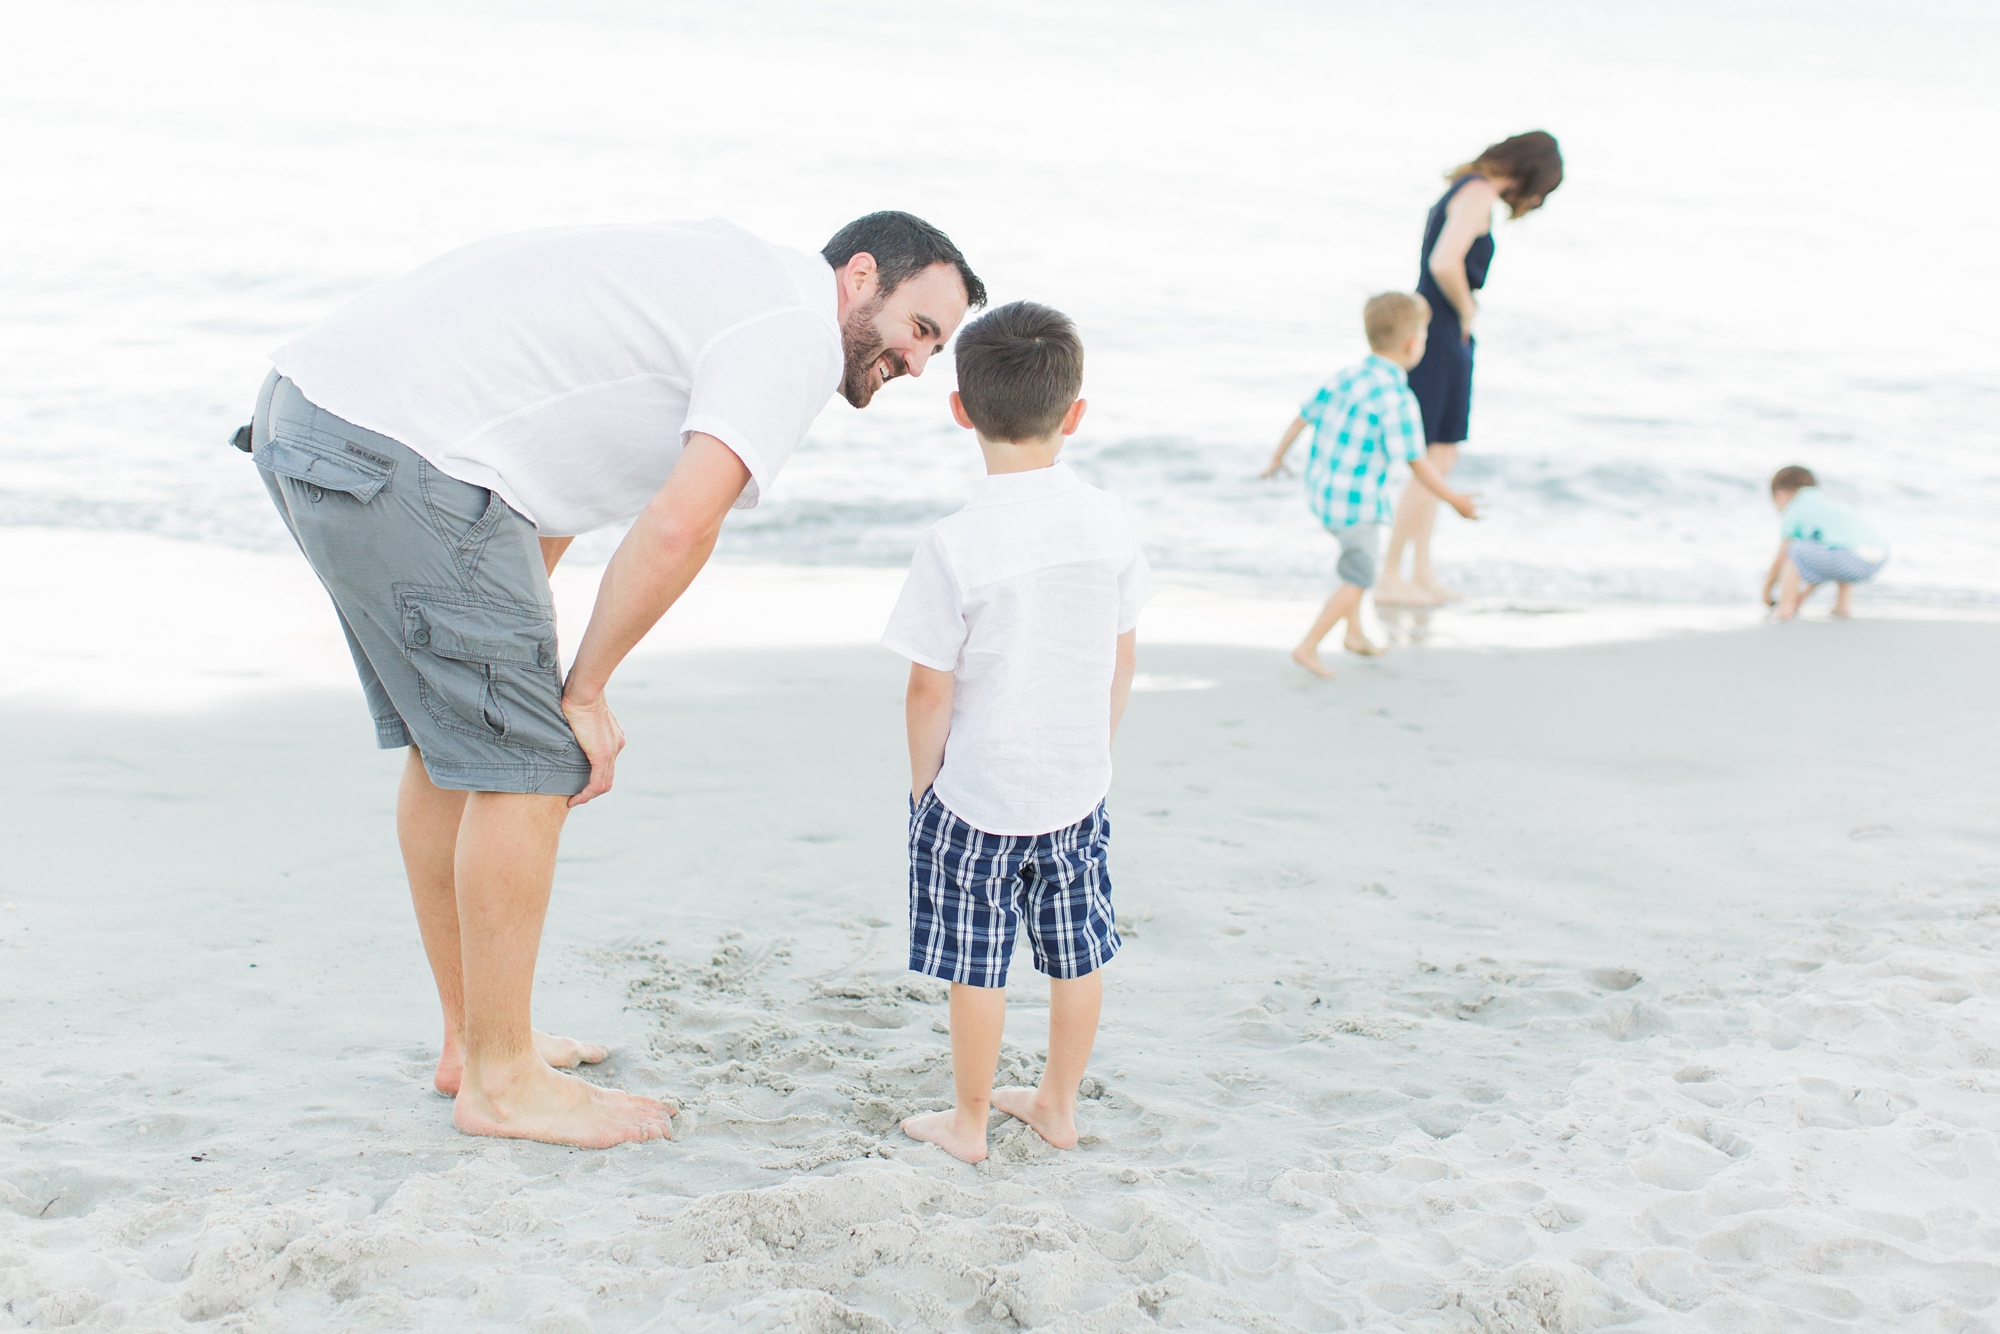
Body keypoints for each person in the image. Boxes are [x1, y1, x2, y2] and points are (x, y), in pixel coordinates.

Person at [244, 212, 984, 1148]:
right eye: (919, 329)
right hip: (394, 445)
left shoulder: (727, 281)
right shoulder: (791, 331)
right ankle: (502, 1082)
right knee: (528, 763)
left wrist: (536, 678)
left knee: (464, 748)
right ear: (861, 275)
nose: (920, 364)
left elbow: (545, 471)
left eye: (939, 347)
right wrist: (578, 697)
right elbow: (681, 527)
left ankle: (474, 1045)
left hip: (317, 412)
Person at [880, 301, 1152, 1165]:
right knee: (1076, 952)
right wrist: (1094, 747)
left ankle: (967, 1123)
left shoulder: (956, 542)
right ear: (1075, 415)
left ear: (961, 408)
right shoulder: (1108, 521)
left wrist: (926, 786)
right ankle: (1057, 1105)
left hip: (977, 792)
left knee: (978, 963)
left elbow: (929, 689)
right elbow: (1122, 654)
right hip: (1078, 784)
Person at [1377, 130, 1564, 606]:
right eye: (1541, 189)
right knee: (1431, 461)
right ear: (1528, 172)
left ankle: (1420, 572)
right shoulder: (1479, 193)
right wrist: (1467, 310)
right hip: (1439, 332)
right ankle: (1392, 576)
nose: (1537, 199)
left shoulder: (1465, 188)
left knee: (1441, 457)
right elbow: (1444, 262)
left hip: (1434, 330)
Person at [1262, 293, 1479, 677]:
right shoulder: (1398, 398)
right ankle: (1308, 646)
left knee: (1355, 565)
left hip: (1324, 494)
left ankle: (1355, 634)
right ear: (1413, 344)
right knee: (1358, 576)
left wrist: (1277, 457)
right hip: (1356, 506)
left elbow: (1303, 417)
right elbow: (1419, 464)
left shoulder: (1348, 375)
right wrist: (1454, 500)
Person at [1762, 465, 1889, 620]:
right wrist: (1803, 595)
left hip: (1846, 557)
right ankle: (1842, 606)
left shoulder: (1795, 508)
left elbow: (1782, 557)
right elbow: (1820, 566)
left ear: (1779, 495)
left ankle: (1785, 607)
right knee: (1833, 546)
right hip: (1876, 559)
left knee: (1794, 550)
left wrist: (1767, 590)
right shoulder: (1829, 505)